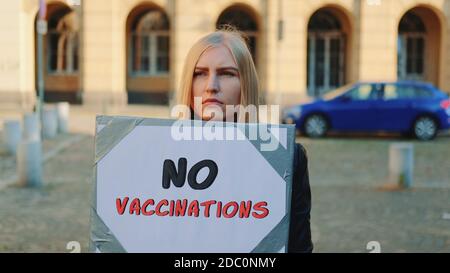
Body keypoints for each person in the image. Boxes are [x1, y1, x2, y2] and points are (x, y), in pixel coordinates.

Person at [176, 27, 313, 253]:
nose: (211, 85)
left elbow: (299, 247)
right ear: (188, 85)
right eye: (199, 73)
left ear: (246, 84)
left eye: (227, 73)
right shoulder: (157, 152)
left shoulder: (286, 158)